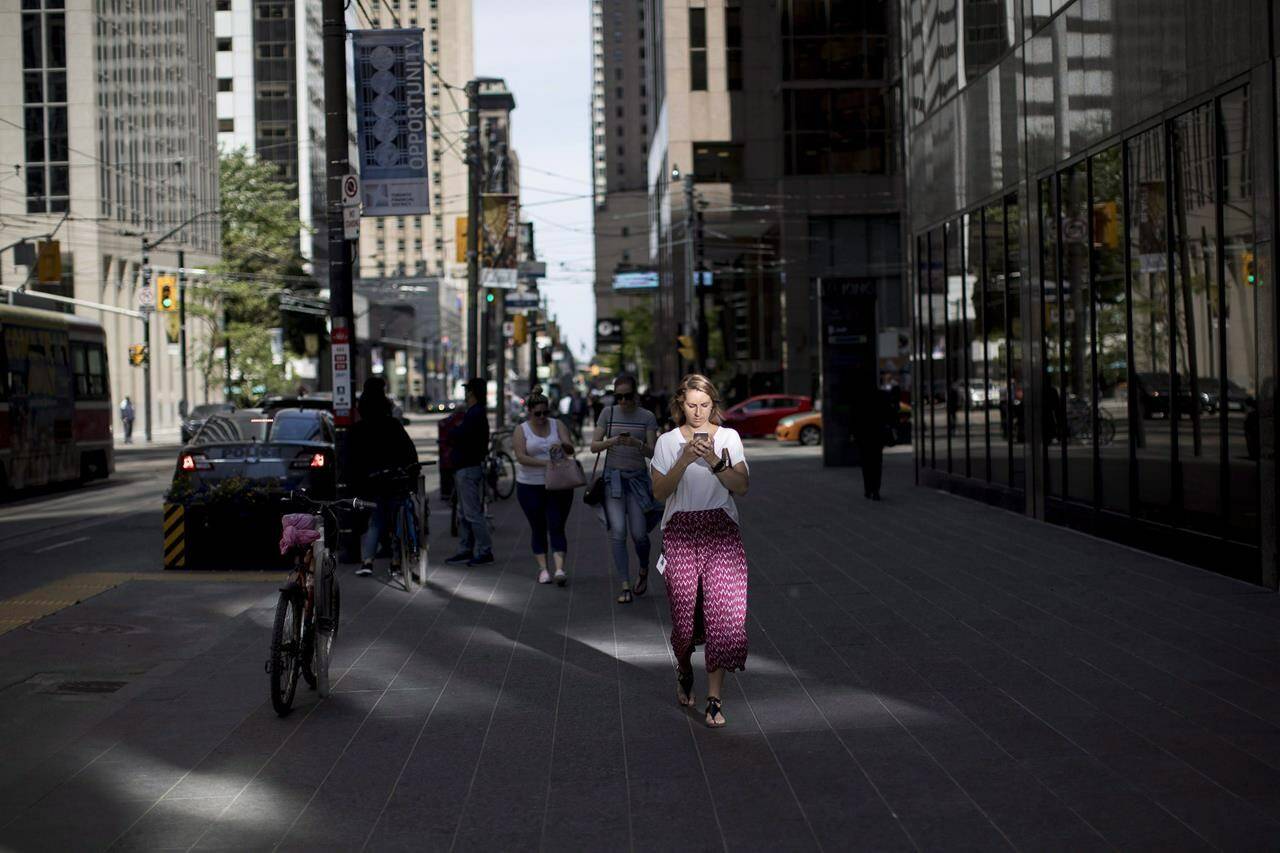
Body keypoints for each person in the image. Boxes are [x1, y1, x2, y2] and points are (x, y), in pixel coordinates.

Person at [651, 374, 750, 729]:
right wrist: (682, 460)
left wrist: (715, 462)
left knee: (724, 616)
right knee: (683, 620)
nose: (698, 412)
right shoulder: (666, 442)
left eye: (704, 405)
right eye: (691, 405)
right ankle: (683, 669)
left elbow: (742, 486)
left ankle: (714, 698)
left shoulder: (728, 438)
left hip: (721, 529)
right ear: (681, 404)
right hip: (680, 531)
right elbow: (660, 493)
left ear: (714, 404)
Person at [589, 374, 660, 603]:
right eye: (618, 397)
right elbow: (593, 446)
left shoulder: (647, 416)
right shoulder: (607, 414)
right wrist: (613, 441)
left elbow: (653, 452)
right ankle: (625, 584)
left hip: (637, 480)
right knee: (618, 532)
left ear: (635, 395)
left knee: (639, 534)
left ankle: (643, 568)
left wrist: (637, 444)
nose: (622, 402)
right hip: (613, 481)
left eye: (627, 396)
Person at [345, 377, 420, 577]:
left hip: (372, 482)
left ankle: (367, 561)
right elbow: (409, 453)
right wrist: (411, 471)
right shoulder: (393, 425)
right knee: (396, 519)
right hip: (394, 480)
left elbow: (350, 459)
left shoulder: (358, 430)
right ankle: (396, 561)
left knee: (375, 521)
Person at [512, 391, 575, 585]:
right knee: (538, 526)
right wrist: (545, 464)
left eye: (545, 413)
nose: (541, 417)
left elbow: (570, 448)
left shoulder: (558, 425)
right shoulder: (521, 430)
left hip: (558, 484)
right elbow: (521, 457)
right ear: (529, 411)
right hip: (530, 485)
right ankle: (543, 569)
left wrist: (563, 446)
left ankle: (559, 569)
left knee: (557, 525)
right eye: (537, 413)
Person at [445, 377, 494, 566]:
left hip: (468, 468)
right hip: (467, 467)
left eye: (467, 391)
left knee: (472, 513)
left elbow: (461, 435)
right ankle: (466, 548)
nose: (465, 395)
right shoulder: (475, 413)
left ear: (471, 393)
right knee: (464, 513)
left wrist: (454, 432)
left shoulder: (475, 414)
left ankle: (484, 550)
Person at [853, 386, 891, 500]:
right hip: (876, 435)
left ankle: (868, 489)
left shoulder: (859, 398)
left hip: (864, 436)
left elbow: (854, 418)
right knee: (876, 463)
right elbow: (888, 414)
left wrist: (854, 434)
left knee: (866, 464)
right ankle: (875, 490)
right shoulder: (881, 397)